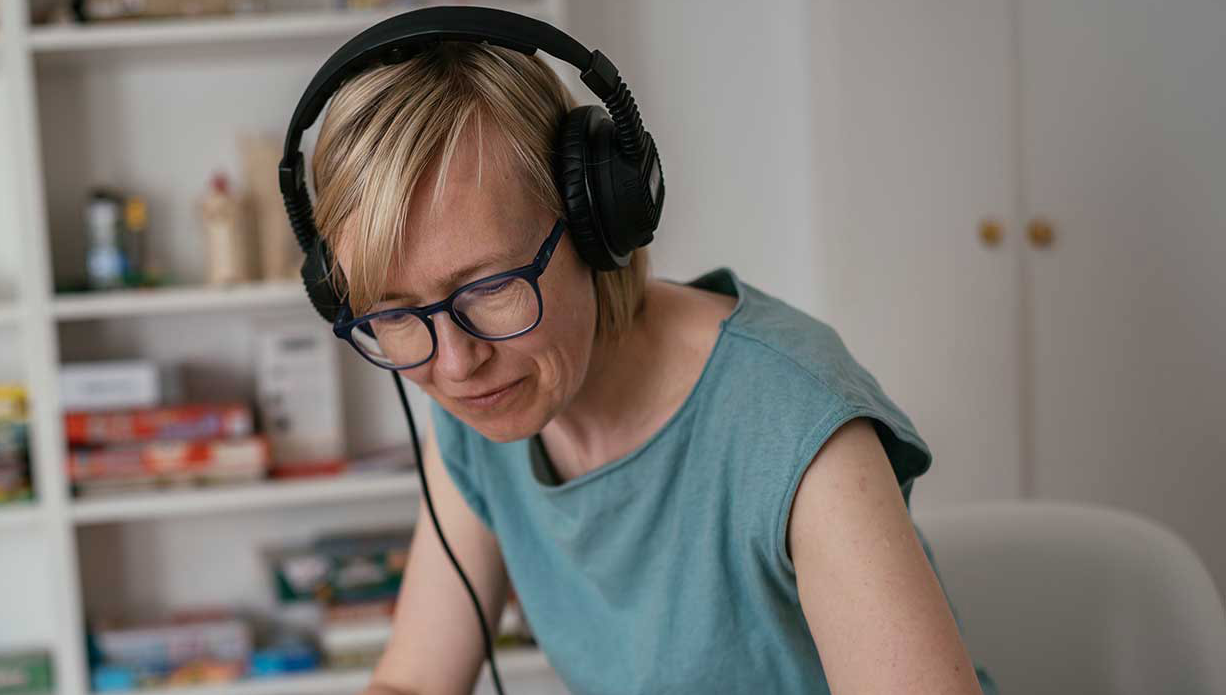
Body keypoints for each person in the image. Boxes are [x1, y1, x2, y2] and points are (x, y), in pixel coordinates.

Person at [299, 38, 995, 694]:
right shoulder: (482, 415)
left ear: (594, 225)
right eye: (392, 312)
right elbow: (414, 680)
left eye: (488, 288)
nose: (454, 363)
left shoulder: (790, 419)